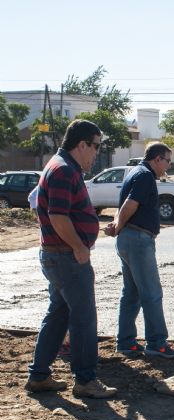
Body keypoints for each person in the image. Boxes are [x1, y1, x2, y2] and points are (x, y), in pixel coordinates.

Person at [25, 119, 117, 399]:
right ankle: (85, 380)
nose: (97, 153)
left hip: (58, 256)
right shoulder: (64, 170)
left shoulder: (60, 166)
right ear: (82, 144)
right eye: (96, 147)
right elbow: (57, 216)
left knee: (59, 314)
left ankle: (39, 376)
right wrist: (79, 246)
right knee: (84, 318)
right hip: (66, 257)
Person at [105, 143, 174, 358]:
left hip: (128, 238)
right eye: (167, 160)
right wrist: (117, 226)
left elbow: (124, 205)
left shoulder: (134, 172)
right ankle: (157, 343)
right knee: (152, 293)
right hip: (138, 239)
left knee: (131, 293)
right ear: (157, 159)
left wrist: (117, 225)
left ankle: (126, 342)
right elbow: (130, 204)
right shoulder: (145, 175)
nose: (168, 166)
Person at [29, 185, 72, 361]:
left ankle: (59, 345)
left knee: (60, 304)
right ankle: (64, 343)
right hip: (61, 252)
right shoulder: (60, 176)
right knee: (66, 305)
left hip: (59, 251)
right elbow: (34, 201)